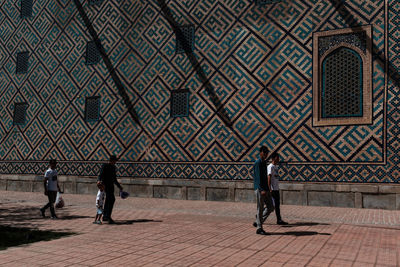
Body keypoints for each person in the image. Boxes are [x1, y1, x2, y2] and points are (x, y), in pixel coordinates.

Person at [253, 146, 274, 235]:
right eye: (264, 153)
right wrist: (261, 189)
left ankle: (258, 220)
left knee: (271, 207)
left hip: (265, 189)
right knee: (260, 208)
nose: (266, 155)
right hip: (260, 189)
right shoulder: (257, 163)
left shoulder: (263, 162)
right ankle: (259, 228)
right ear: (261, 152)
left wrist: (268, 189)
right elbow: (257, 177)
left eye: (267, 154)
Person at [98, 155, 123, 224]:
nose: (115, 162)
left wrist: (119, 186)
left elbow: (114, 179)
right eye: (115, 160)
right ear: (111, 160)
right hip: (105, 185)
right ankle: (108, 216)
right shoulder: (105, 166)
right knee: (111, 199)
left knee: (108, 200)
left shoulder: (113, 167)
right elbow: (101, 174)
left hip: (111, 186)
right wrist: (99, 180)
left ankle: (105, 216)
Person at [268, 152, 288, 225]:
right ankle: (259, 216)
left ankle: (279, 220)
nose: (278, 159)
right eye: (277, 158)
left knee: (277, 205)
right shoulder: (270, 167)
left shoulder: (276, 167)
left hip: (276, 189)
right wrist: (270, 188)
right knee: (271, 206)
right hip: (273, 189)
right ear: (273, 158)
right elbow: (269, 177)